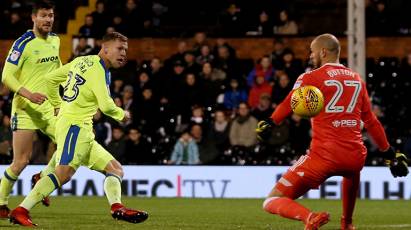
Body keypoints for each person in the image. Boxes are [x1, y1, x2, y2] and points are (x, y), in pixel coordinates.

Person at [256, 34, 408, 230]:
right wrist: (390, 154)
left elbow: (290, 102)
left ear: (323, 52)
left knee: (272, 200)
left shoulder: (310, 77)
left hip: (323, 156)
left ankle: (310, 217)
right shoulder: (357, 80)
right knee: (351, 172)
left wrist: (270, 121)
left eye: (312, 51)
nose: (310, 55)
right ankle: (347, 223)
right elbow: (371, 121)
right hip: (354, 156)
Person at [9, 32, 149, 226]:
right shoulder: (99, 70)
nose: (123, 53)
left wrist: (58, 104)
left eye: (125, 50)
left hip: (74, 126)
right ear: (105, 48)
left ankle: (117, 207)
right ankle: (21, 209)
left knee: (115, 169)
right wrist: (122, 114)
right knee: (64, 173)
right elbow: (107, 105)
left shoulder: (83, 60)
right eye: (119, 48)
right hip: (75, 127)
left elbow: (50, 79)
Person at [0, 0, 62, 217]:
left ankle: (42, 176)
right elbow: (6, 76)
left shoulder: (55, 40)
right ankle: (1, 203)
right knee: (20, 162)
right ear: (34, 18)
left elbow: (57, 70)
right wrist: (29, 94)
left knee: (69, 146)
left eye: (51, 15)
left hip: (47, 108)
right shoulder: (22, 43)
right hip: (25, 108)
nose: (48, 20)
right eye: (44, 15)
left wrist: (59, 102)